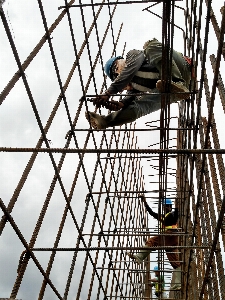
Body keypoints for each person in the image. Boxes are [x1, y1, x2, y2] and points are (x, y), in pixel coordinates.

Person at [85, 38, 192, 130]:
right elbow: (129, 101)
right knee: (140, 105)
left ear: (123, 59)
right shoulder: (133, 88)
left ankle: (177, 82)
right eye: (115, 75)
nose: (117, 72)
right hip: (181, 90)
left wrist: (108, 92)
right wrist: (121, 104)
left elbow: (129, 70)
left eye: (116, 67)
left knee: (150, 45)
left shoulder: (133, 55)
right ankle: (106, 121)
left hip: (183, 66)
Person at [126, 195, 181, 290]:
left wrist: (176, 207)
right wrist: (145, 202)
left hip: (170, 235)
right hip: (171, 241)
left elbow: (176, 216)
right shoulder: (163, 216)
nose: (165, 208)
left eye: (166, 206)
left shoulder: (171, 215)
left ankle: (139, 257)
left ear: (169, 207)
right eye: (165, 207)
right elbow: (151, 213)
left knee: (152, 241)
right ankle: (179, 283)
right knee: (175, 262)